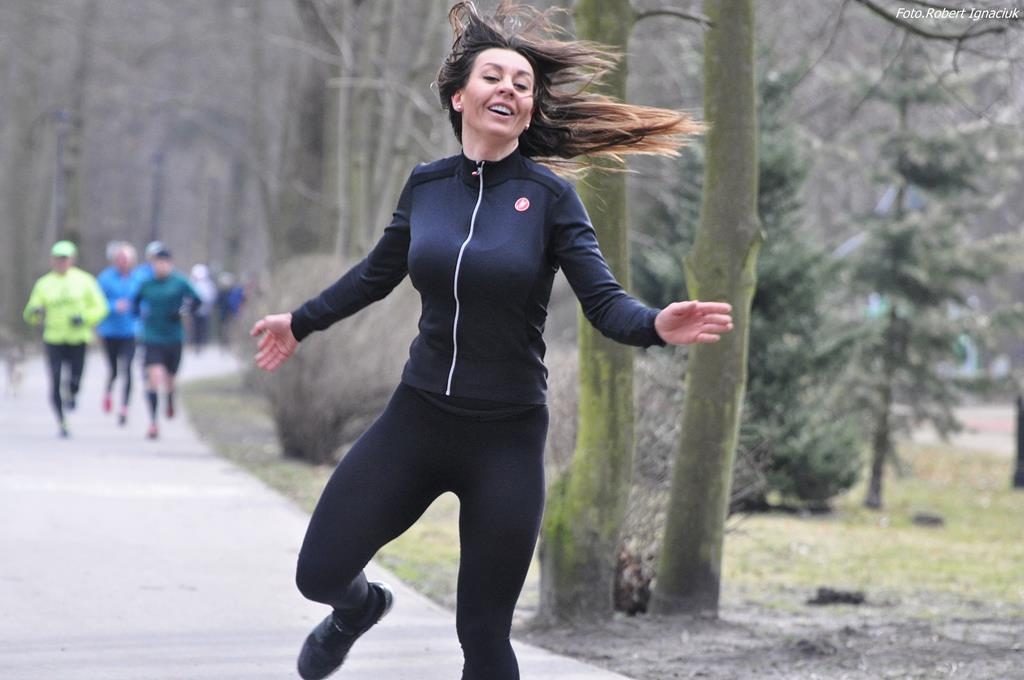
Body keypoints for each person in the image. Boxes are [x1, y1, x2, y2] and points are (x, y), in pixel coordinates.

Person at [250, 3, 732, 679]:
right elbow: (375, 275)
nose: (509, 88)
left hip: (506, 438)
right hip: (417, 420)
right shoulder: (427, 187)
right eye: (494, 76)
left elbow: (604, 304)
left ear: (529, 112)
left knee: (482, 633)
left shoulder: (550, 199)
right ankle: (359, 610)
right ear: (460, 96)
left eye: (522, 84)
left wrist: (655, 323)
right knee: (319, 572)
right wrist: (298, 322)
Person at [23, 240, 108, 437]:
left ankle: (73, 392)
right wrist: (35, 312)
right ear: (52, 260)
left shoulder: (85, 281)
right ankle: (62, 421)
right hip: (53, 338)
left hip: (78, 338)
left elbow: (101, 307)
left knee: (75, 379)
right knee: (55, 379)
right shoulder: (44, 284)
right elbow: (30, 312)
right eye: (58, 259)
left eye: (65, 259)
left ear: (72, 260)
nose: (61, 262)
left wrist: (84, 318)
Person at [134, 248, 200, 440]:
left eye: (164, 263)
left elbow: (197, 301)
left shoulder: (180, 282)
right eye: (157, 262)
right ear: (152, 264)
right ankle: (153, 422)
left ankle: (170, 399)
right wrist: (140, 317)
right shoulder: (146, 284)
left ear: (170, 264)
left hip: (174, 337)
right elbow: (135, 303)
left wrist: (183, 310)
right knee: (154, 378)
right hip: (152, 337)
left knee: (170, 379)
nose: (161, 266)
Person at [96, 242, 141, 425]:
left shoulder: (138, 279)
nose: (123, 262)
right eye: (120, 259)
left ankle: (124, 407)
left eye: (127, 259)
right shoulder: (105, 278)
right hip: (109, 331)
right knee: (113, 369)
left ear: (132, 261)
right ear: (115, 260)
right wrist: (114, 306)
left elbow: (143, 302)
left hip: (130, 331)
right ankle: (108, 392)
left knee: (128, 368)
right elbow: (96, 301)